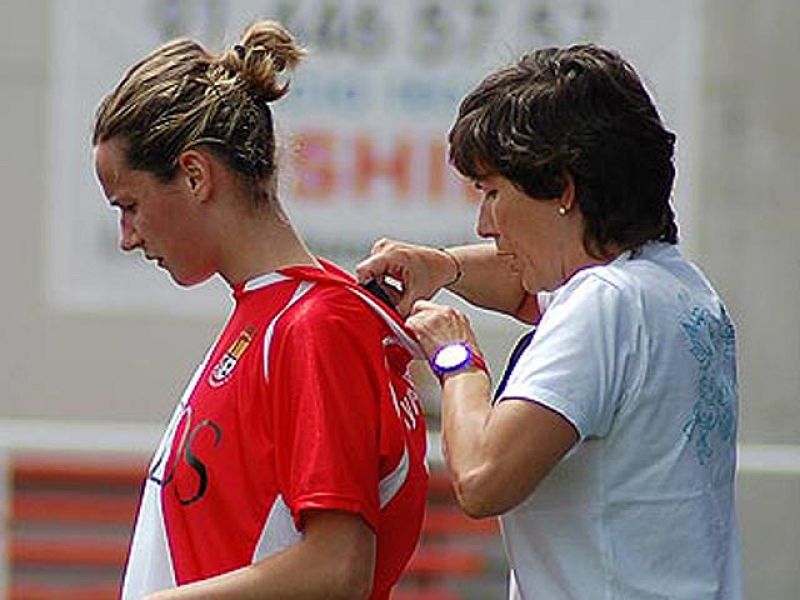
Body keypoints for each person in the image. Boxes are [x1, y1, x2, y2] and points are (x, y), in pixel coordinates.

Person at [357, 44, 742, 599]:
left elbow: (482, 479)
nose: (484, 223)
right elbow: (526, 288)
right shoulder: (681, 291)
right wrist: (439, 266)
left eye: (492, 192)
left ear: (562, 188)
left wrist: (456, 357)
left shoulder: (602, 306)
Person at [92, 20, 428, 600]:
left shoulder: (316, 324)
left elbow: (337, 568)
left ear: (195, 175)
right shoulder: (270, 314)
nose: (127, 236)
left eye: (130, 205)